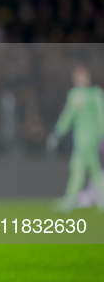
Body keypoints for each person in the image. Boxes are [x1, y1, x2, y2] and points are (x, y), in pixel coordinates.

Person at [47, 65, 104, 212]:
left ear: (88, 77)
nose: (79, 79)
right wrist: (58, 132)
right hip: (80, 137)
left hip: (91, 137)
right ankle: (97, 198)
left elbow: (101, 115)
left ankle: (70, 200)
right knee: (92, 167)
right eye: (76, 76)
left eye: (81, 75)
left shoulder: (95, 94)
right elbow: (68, 115)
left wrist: (102, 135)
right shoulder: (73, 94)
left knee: (78, 166)